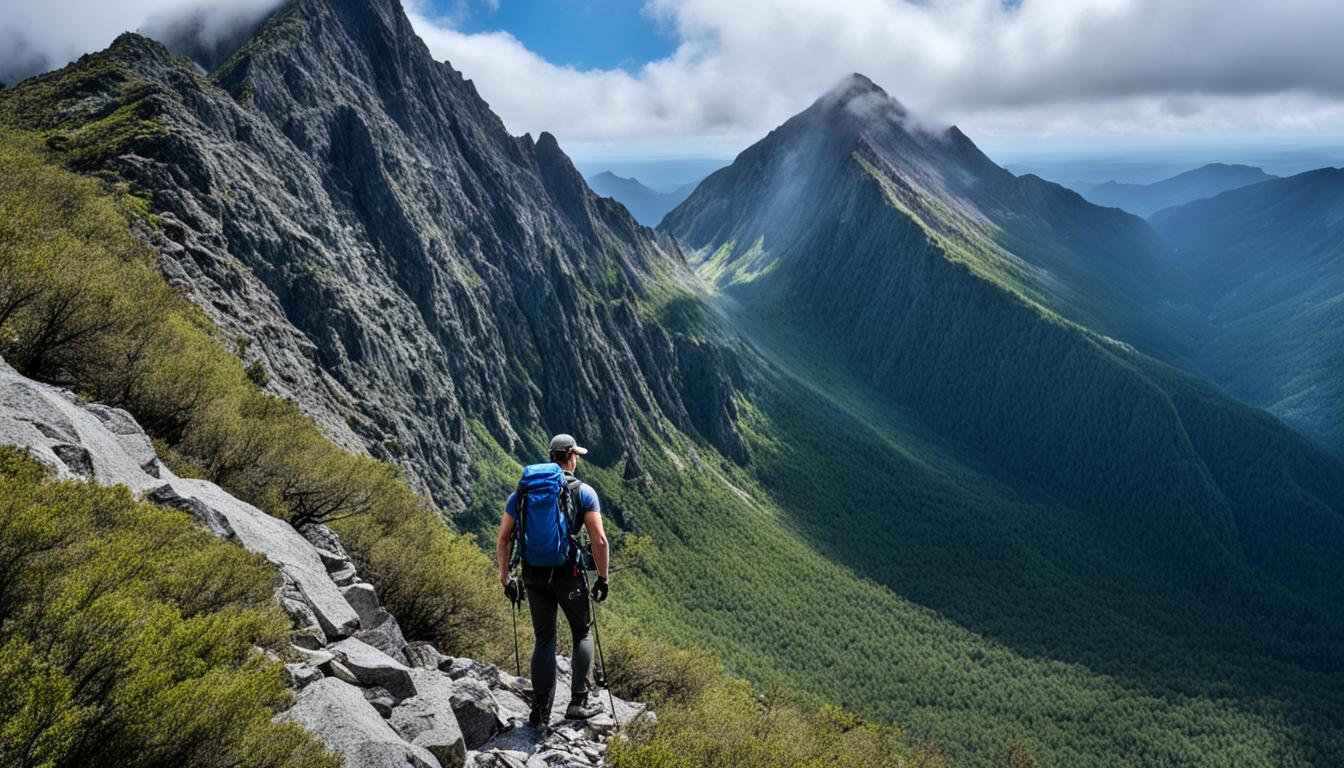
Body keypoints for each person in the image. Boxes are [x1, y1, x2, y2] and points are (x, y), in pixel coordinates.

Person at [497, 433, 610, 726]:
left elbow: (504, 539)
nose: (578, 459)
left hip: (533, 575)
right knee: (581, 632)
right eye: (577, 455)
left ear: (552, 456)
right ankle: (577, 702)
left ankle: (541, 710)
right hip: (568, 575)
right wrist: (603, 577)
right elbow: (599, 540)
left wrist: (505, 576)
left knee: (544, 639)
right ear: (570, 455)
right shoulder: (583, 492)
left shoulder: (522, 493)